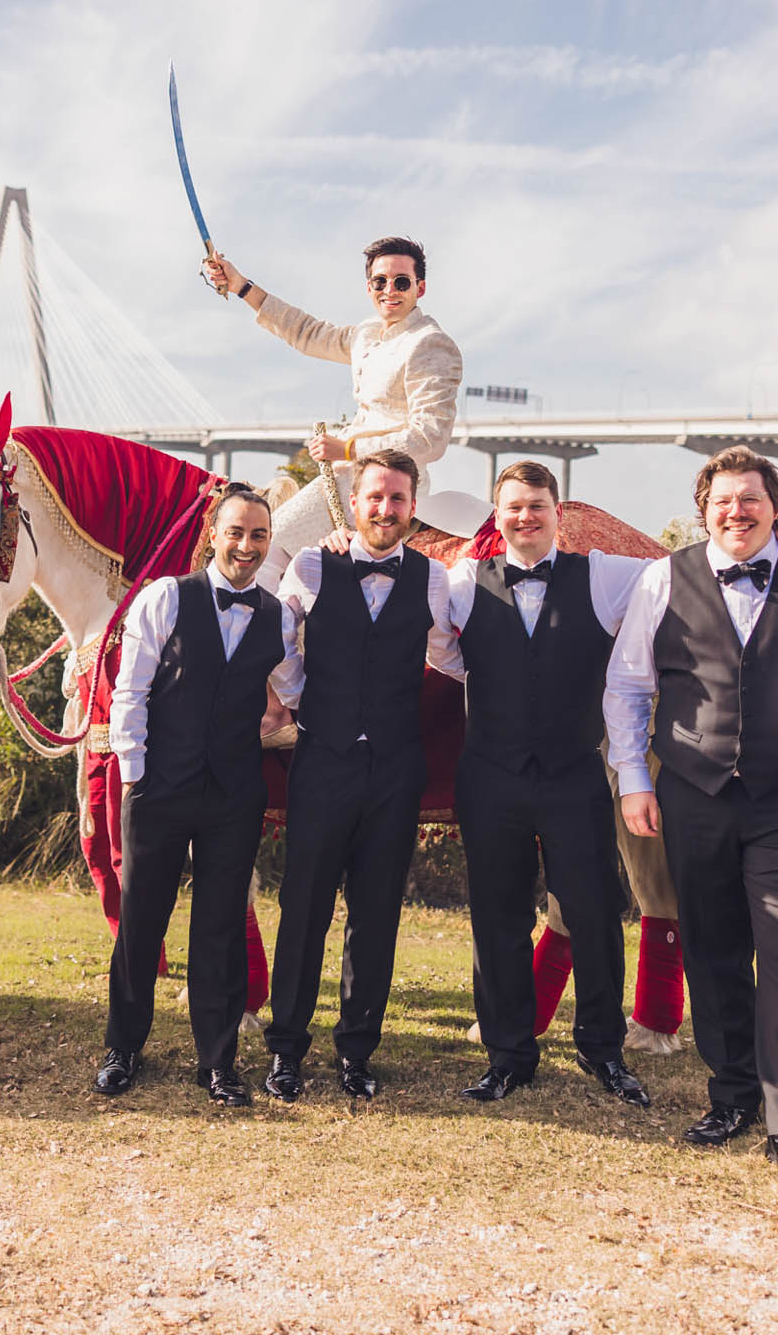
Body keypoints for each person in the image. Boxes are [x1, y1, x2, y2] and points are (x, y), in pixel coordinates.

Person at [609, 446, 778, 1193]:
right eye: (722, 500)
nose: (736, 511)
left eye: (751, 499)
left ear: (776, 508)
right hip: (693, 794)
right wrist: (635, 779)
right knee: (710, 949)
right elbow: (627, 687)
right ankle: (733, 1095)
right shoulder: (662, 578)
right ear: (703, 507)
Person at [437, 461, 654, 1108]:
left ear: (559, 513)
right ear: (496, 517)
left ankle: (602, 1050)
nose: (525, 517)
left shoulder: (608, 576)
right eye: (513, 508)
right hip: (490, 776)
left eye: (537, 506)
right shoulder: (460, 584)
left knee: (593, 912)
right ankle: (508, 1054)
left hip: (573, 774)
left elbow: (680, 574)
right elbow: (440, 651)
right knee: (497, 918)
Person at [95, 485, 300, 1106]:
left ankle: (217, 1061)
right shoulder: (165, 597)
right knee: (141, 924)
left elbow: (299, 688)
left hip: (235, 794)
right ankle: (124, 1048)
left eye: (259, 536)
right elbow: (129, 692)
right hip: (160, 787)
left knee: (220, 927)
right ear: (214, 533)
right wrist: (137, 777)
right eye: (236, 533)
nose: (246, 546)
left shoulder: (279, 615)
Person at [261, 450, 452, 1101]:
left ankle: (356, 1053)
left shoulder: (432, 578)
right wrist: (301, 694)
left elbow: (453, 654)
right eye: (374, 496)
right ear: (358, 498)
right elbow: (279, 639)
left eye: (397, 498)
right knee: (304, 907)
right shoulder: (313, 564)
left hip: (396, 770)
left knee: (375, 915)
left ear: (411, 506)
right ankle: (285, 1049)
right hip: (324, 761)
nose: (384, 508)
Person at [201, 237, 462, 589]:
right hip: (346, 475)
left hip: (386, 480)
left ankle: (250, 634)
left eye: (401, 282)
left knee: (269, 541)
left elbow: (431, 439)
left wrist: (349, 450)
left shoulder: (430, 342)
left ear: (421, 287)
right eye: (380, 282)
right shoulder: (368, 333)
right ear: (369, 287)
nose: (390, 290)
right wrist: (241, 286)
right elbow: (307, 333)